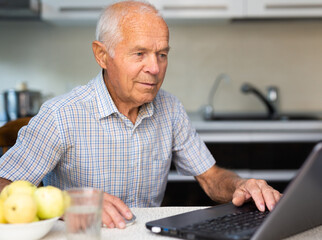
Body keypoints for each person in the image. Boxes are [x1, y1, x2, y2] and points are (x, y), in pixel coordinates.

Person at [0, 1, 281, 229]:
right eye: (139, 54)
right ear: (101, 55)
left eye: (162, 54)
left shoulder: (170, 108)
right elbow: (3, 185)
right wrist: (64, 203)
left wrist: (241, 185)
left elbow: (210, 177)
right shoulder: (61, 115)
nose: (155, 68)